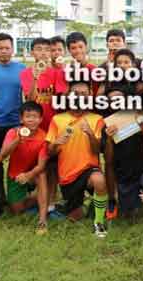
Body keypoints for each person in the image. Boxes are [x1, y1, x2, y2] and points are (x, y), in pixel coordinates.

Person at [46, 81, 108, 237]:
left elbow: (97, 150)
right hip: (67, 176)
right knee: (75, 216)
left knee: (99, 180)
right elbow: (50, 153)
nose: (80, 97)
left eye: (84, 94)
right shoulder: (57, 119)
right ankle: (86, 204)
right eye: (76, 93)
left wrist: (90, 134)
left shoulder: (97, 119)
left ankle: (99, 223)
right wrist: (56, 143)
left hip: (89, 169)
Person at [0, 101, 50, 234]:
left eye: (35, 117)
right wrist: (17, 140)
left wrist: (29, 175)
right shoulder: (13, 132)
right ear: (21, 119)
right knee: (16, 210)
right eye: (28, 117)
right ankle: (38, 197)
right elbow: (3, 153)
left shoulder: (44, 136)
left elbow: (41, 165)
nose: (31, 120)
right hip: (15, 174)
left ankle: (42, 220)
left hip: (34, 173)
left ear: (40, 119)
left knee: (41, 174)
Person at [103, 85, 143, 219]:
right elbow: (108, 161)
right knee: (130, 215)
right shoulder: (107, 124)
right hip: (125, 176)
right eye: (113, 100)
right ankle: (113, 200)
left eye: (120, 99)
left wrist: (141, 124)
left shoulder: (137, 114)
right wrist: (109, 139)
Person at [19, 37, 67, 132]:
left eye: (47, 49)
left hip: (53, 122)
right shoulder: (25, 73)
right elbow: (30, 101)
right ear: (32, 52)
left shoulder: (56, 73)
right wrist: (35, 78)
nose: (43, 53)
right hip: (34, 124)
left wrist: (64, 71)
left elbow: (61, 100)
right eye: (39, 49)